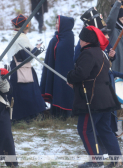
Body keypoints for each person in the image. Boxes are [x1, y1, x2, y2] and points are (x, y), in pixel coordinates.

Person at [67, 26, 122, 168]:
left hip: (92, 100)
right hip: (105, 98)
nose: (79, 41)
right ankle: (116, 160)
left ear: (85, 40)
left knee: (85, 129)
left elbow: (81, 74)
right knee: (104, 128)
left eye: (80, 38)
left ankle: (95, 161)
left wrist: (70, 78)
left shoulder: (88, 53)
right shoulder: (100, 52)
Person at [7, 14, 46, 122]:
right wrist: (37, 50)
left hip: (17, 69)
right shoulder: (21, 38)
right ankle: (29, 117)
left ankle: (20, 116)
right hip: (22, 70)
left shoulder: (15, 35)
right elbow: (26, 57)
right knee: (29, 94)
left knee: (19, 95)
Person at [40, 15, 74, 119]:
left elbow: (64, 55)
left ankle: (63, 115)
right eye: (56, 23)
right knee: (55, 89)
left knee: (62, 90)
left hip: (63, 71)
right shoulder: (57, 37)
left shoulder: (68, 37)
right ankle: (55, 113)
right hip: (55, 69)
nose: (56, 26)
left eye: (58, 24)